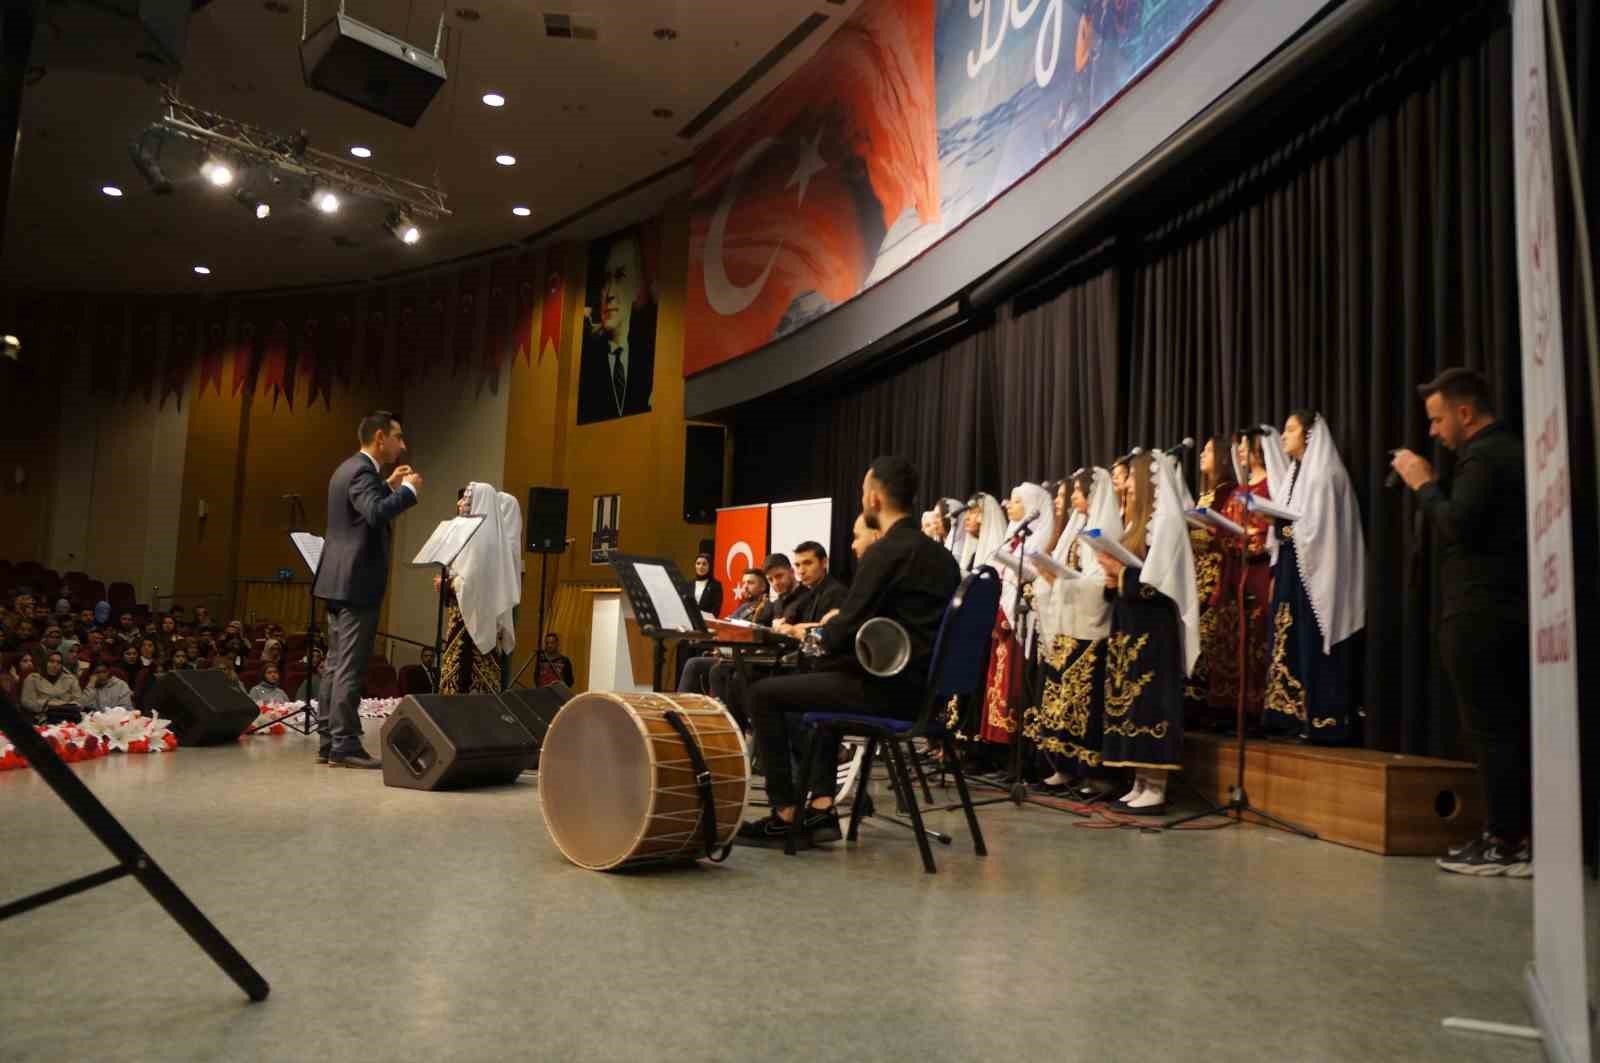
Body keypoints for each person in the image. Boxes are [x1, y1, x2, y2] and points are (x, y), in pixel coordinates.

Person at [737, 456, 961, 848]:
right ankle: (822, 809)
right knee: (823, 681)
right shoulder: (943, 559)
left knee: (762, 694)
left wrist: (820, 637)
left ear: (874, 499)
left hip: (887, 694)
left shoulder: (887, 551)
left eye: (862, 494)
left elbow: (842, 632)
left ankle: (784, 815)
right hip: (925, 695)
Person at [1393, 368, 1531, 876]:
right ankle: (1511, 835)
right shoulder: (1502, 454)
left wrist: (1424, 483)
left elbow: (1456, 525)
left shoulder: (1487, 457)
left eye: (1436, 419)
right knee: (1503, 729)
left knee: (1493, 730)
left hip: (1484, 613)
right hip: (1498, 610)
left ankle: (1506, 841)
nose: (1432, 431)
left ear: (1465, 413)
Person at [312, 410, 421, 768]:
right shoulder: (361, 470)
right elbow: (374, 514)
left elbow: (361, 510)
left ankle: (329, 740)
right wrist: (406, 492)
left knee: (333, 665)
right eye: (398, 437)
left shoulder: (348, 469)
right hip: (357, 581)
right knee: (350, 666)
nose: (402, 445)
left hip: (337, 579)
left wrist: (388, 485)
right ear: (380, 438)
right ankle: (344, 744)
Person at [1095, 452, 1199, 814]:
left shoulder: (1168, 522)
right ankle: (1140, 779)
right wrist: (1111, 577)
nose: (1124, 486)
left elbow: (1164, 585)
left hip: (1155, 629)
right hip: (1130, 624)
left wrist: (1121, 575)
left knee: (1151, 702)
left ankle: (1157, 784)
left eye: (1131, 480)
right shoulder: (1137, 524)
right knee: (1132, 704)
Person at [1262, 411, 1366, 744]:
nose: (1283, 436)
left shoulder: (1323, 474)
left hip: (1317, 573)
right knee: (1288, 638)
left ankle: (1323, 720)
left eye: (1290, 429)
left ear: (1309, 435)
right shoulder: (1296, 474)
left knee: (1311, 638)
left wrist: (1286, 527)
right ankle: (1290, 717)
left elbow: (1319, 531)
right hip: (1294, 567)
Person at [1027, 467, 1122, 791]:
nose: (1074, 500)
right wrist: (1056, 578)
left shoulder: (1104, 528)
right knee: (1061, 699)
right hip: (1069, 623)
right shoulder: (1076, 525)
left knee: (1085, 703)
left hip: (1091, 627)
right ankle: (1062, 766)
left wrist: (1063, 581)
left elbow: (1099, 584)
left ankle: (1091, 773)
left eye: (1080, 493)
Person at [1206, 427, 1280, 728]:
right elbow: (1225, 528)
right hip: (1234, 571)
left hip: (1258, 572)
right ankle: (1227, 707)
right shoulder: (1239, 490)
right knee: (1230, 640)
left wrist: (1255, 538)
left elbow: (1277, 530)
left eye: (1245, 447)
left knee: (1255, 639)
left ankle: (1253, 709)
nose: (1239, 452)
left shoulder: (1271, 487)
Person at [980, 482, 1055, 746]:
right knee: (998, 682)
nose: (1009, 506)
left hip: (1024, 619)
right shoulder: (1014, 535)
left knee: (1013, 685)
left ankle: (1014, 749)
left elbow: (1034, 573)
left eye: (1016, 501)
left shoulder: (1040, 537)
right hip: (1004, 613)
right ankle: (999, 748)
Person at [437, 483, 518, 696]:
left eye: (466, 499)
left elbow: (473, 583)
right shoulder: (485, 539)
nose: (460, 503)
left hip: (471, 622)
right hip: (469, 616)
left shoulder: (484, 540)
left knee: (465, 681)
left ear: (478, 503)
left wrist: (448, 584)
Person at [577, 230, 656, 423]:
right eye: (606, 279)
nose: (610, 292)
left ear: (638, 284)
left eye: (620, 276)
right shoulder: (586, 356)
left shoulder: (652, 354)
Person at [1185, 435, 1237, 719]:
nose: (1202, 455)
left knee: (1208, 635)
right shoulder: (1206, 492)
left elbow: (1226, 530)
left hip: (1214, 572)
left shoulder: (1228, 490)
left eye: (1208, 451)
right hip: (1198, 570)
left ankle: (1206, 704)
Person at [21, 651, 84, 723]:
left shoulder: (70, 679)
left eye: (59, 662)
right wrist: (48, 704)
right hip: (42, 718)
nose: (55, 665)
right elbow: (27, 702)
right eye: (51, 661)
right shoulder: (33, 678)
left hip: (68, 717)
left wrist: (61, 706)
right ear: (45, 662)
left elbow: (79, 701)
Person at [690, 552, 723, 616]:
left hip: (706, 623)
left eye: (704, 564)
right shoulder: (689, 584)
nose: (700, 567)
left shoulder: (716, 585)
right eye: (698, 563)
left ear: (709, 566)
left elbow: (715, 611)